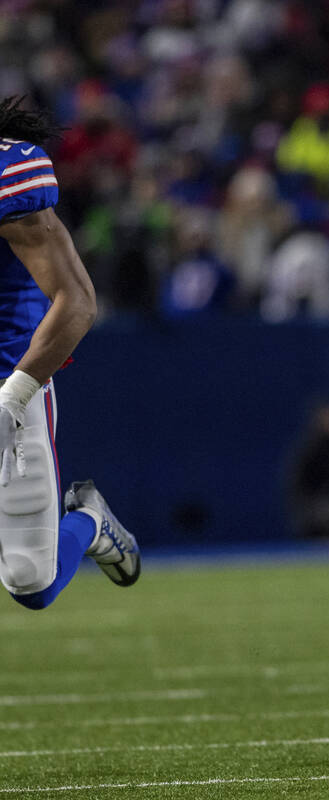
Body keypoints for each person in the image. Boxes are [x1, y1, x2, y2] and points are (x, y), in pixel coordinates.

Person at [0, 97, 140, 610]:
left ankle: (91, 521)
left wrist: (12, 398)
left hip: (10, 382)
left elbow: (77, 301)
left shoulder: (9, 174)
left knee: (31, 584)